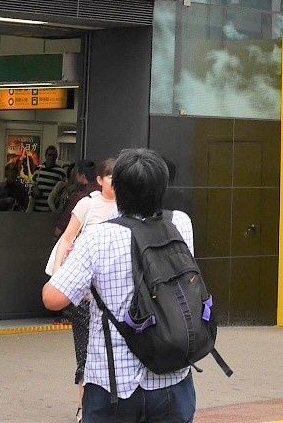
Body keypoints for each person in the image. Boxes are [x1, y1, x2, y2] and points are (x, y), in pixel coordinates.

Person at [42, 148, 199, 420]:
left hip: (113, 384)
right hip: (172, 377)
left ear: (117, 188)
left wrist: (68, 264)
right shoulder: (180, 223)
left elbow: (53, 298)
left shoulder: (98, 237)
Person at [49, 159, 116, 391]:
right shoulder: (87, 205)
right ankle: (82, 405)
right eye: (110, 176)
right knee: (85, 351)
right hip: (86, 292)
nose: (115, 182)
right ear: (99, 180)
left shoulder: (127, 208)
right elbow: (66, 238)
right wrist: (58, 274)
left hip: (113, 292)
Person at [31, 146, 71, 212]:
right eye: (49, 155)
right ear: (46, 155)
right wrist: (33, 189)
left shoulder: (61, 172)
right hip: (37, 209)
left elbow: (64, 190)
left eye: (54, 155)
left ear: (56, 157)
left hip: (52, 210)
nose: (51, 157)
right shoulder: (38, 169)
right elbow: (32, 184)